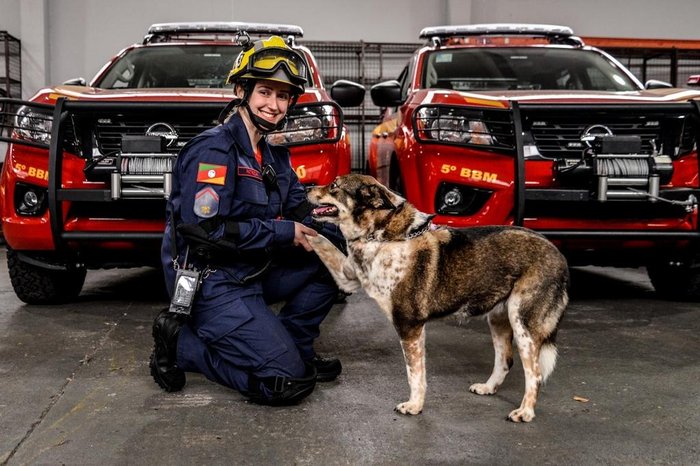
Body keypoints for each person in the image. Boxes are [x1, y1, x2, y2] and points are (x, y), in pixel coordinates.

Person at [149, 35, 343, 405]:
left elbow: (303, 210)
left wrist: (352, 235)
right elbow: (204, 231)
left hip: (253, 270)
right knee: (288, 383)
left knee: (334, 257)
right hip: (214, 283)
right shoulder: (214, 150)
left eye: (283, 96)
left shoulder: (273, 156)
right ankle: (185, 347)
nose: (274, 105)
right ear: (242, 90)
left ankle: (295, 345)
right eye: (266, 92)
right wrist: (284, 230)